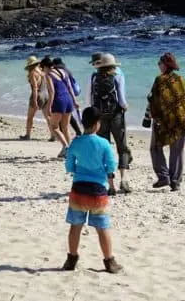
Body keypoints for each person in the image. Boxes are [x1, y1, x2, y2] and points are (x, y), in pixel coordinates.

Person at [63, 107, 123, 274]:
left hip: (79, 190)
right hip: (97, 191)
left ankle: (71, 259)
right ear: (97, 124)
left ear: (83, 123)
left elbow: (69, 166)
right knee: (102, 228)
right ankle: (109, 261)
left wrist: (78, 169)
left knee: (75, 226)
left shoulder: (75, 142)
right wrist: (104, 175)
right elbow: (111, 166)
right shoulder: (103, 143)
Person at [148, 52, 185, 192]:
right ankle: (175, 182)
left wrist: (150, 117)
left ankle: (163, 177)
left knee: (155, 148)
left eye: (159, 63)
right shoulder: (182, 80)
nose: (158, 66)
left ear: (165, 65)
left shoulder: (160, 80)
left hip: (166, 121)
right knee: (177, 151)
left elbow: (154, 101)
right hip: (181, 120)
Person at [90, 53, 131, 195]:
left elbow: (91, 98)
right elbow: (121, 100)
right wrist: (125, 106)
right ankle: (124, 179)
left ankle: (111, 185)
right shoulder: (118, 76)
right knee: (122, 147)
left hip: (100, 117)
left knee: (104, 150)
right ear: (113, 65)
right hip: (116, 116)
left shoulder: (94, 77)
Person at [41, 56, 79, 157]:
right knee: (65, 127)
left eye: (42, 68)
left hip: (59, 101)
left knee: (54, 127)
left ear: (45, 66)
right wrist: (75, 100)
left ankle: (65, 147)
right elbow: (70, 88)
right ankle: (70, 150)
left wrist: (49, 106)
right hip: (68, 100)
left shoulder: (48, 75)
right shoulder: (63, 72)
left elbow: (52, 92)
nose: (43, 70)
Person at [20, 56, 53, 141]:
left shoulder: (32, 73)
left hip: (37, 95)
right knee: (48, 117)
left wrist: (34, 101)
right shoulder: (42, 72)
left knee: (30, 117)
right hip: (46, 94)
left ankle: (27, 135)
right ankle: (53, 134)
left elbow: (35, 87)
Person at [52, 57, 82, 137]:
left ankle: (65, 135)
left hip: (64, 95)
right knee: (68, 115)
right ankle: (77, 131)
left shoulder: (59, 72)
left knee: (64, 117)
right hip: (70, 95)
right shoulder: (67, 70)